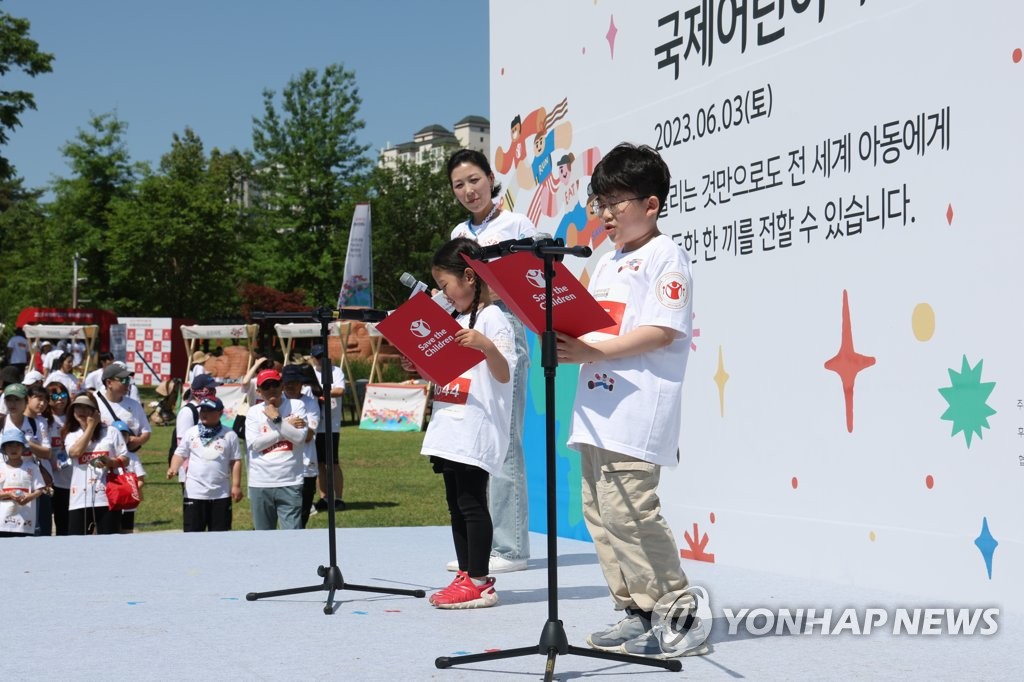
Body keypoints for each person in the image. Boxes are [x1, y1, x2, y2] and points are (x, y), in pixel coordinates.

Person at [555, 143, 709, 658]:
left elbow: (661, 331)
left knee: (633, 513)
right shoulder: (604, 261)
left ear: (651, 204)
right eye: (601, 202)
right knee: (600, 517)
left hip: (637, 410)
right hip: (596, 410)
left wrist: (585, 349)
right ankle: (636, 611)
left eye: (617, 202)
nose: (605, 214)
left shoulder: (667, 256)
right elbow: (595, 327)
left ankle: (679, 611)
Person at [446, 148, 534, 574]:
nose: (468, 190)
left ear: (490, 177)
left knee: (505, 443)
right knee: (476, 442)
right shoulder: (457, 232)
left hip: (505, 330)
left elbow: (531, 284)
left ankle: (511, 547)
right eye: (459, 185)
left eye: (474, 180)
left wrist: (489, 290)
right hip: (469, 334)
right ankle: (481, 546)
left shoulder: (516, 225)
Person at [420, 237, 516, 609]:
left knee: (472, 502)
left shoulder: (493, 318)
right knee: (455, 503)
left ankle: (480, 580)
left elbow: (505, 373)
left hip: (475, 427)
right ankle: (465, 573)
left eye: (446, 285)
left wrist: (486, 345)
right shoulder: (455, 319)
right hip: (449, 425)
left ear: (469, 277)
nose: (444, 293)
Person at [244, 368, 308, 530]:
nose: (271, 389)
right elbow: (256, 445)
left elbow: (300, 438)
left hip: (290, 481)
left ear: (282, 386)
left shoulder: (297, 405)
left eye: (275, 384)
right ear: (259, 392)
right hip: (260, 482)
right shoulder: (253, 412)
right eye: (266, 386)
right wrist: (285, 428)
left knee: (293, 537)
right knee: (264, 539)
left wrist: (277, 419)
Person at [167, 397, 242, 532]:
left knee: (220, 536)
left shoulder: (230, 434)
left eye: (209, 410)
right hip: (194, 493)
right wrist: (173, 468)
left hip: (221, 494)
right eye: (202, 410)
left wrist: (236, 486)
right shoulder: (191, 432)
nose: (204, 413)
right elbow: (180, 454)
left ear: (220, 413)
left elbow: (235, 460)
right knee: (193, 536)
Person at [63, 393, 129, 535]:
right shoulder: (71, 435)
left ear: (95, 411)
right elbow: (75, 453)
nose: (81, 411)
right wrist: (91, 428)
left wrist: (111, 462)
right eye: (78, 407)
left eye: (87, 407)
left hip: (107, 498)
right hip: (79, 499)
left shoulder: (111, 432)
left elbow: (125, 458)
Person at [306, 345, 345, 511]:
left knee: (333, 462)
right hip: (315, 424)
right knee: (319, 463)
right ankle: (324, 497)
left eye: (323, 356)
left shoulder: (336, 371)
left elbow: (339, 390)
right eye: (318, 356)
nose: (321, 359)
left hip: (331, 424)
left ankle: (338, 498)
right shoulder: (311, 372)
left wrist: (321, 393)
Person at [281, 363, 319, 527]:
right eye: (287, 382)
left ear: (301, 384)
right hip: (281, 464)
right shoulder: (278, 401)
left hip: (306, 465)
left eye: (294, 382)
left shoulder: (310, 403)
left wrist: (282, 425)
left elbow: (309, 435)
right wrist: (294, 424)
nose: (290, 386)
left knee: (302, 514)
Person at [0, 430, 47, 537]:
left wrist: (30, 497)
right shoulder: (0, 467)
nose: (13, 449)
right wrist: (8, 494)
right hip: (2, 521)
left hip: (25, 519)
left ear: (23, 448)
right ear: (4, 449)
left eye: (17, 445)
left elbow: (39, 489)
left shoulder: (32, 467)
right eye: (9, 445)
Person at [43, 381, 73, 536]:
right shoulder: (43, 420)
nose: (60, 399)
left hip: (68, 478)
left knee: (64, 523)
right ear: (48, 399)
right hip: (48, 478)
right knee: (45, 523)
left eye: (63, 395)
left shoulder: (73, 418)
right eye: (55, 395)